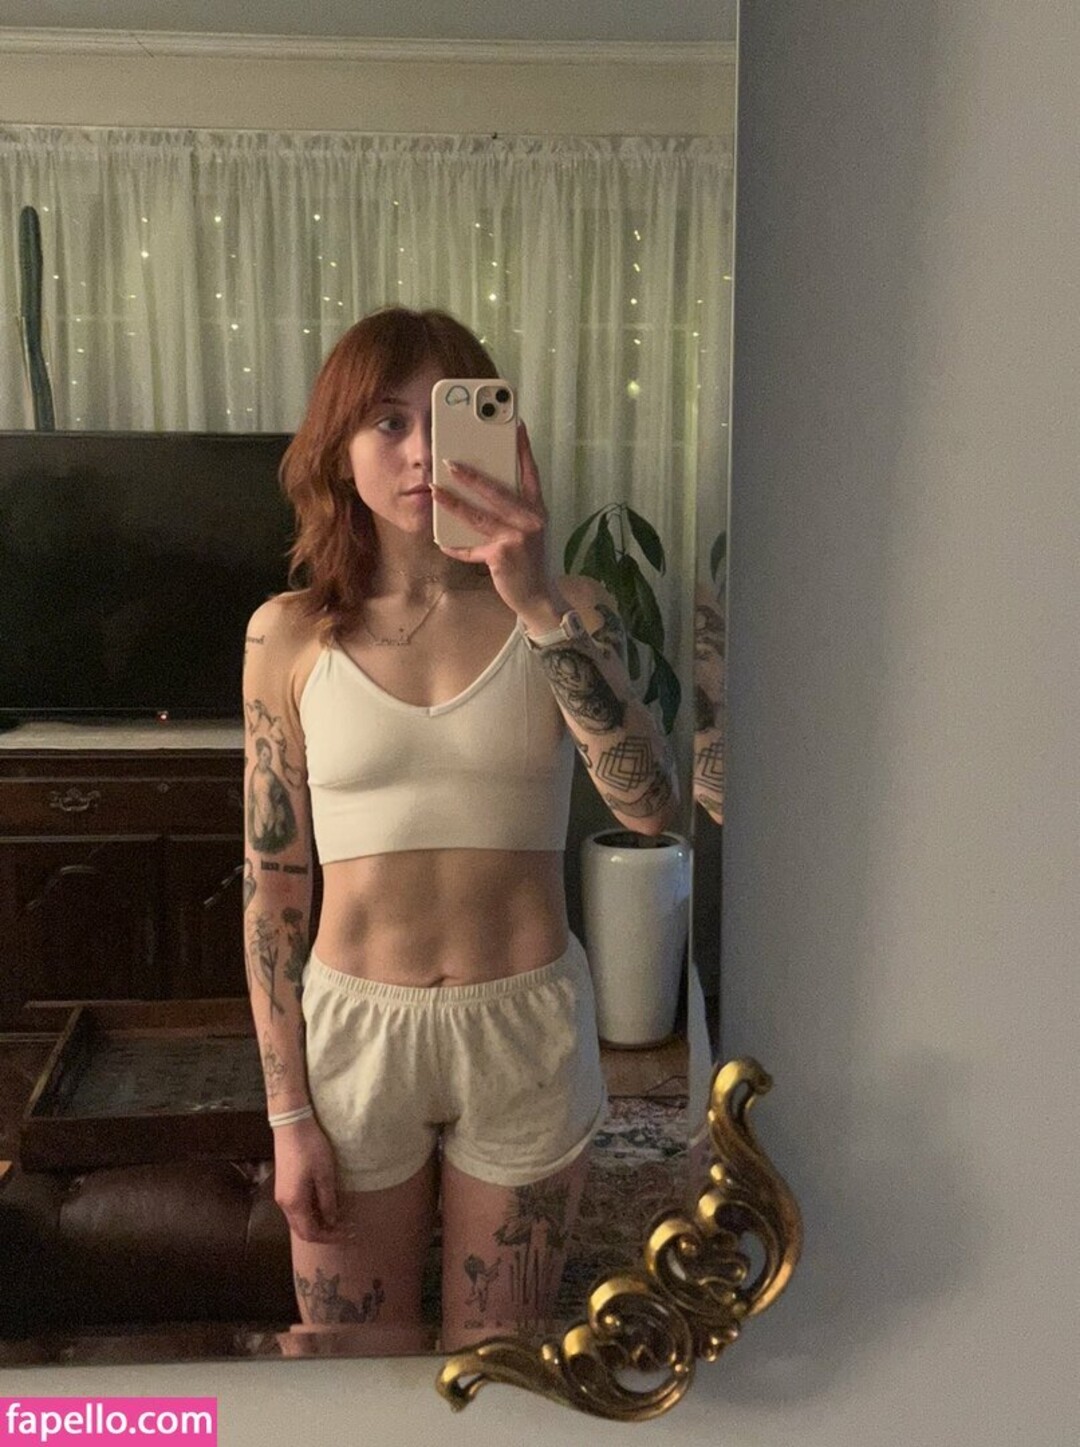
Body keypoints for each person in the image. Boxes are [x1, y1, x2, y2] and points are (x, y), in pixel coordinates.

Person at [242, 306, 677, 1353]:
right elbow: (273, 888)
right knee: (353, 1361)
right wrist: (288, 1115)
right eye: (387, 422)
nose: (421, 450)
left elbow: (650, 806)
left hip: (524, 1026)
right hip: (356, 1032)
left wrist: (535, 600)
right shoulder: (287, 634)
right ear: (339, 451)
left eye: (446, 415)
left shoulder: (569, 607)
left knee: (499, 1363)